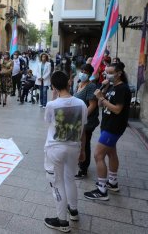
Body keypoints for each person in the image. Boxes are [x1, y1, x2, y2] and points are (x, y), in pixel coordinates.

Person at [44, 71, 87, 232]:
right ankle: (73, 211)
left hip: (55, 147)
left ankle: (62, 221)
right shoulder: (81, 104)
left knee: (57, 182)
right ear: (69, 83)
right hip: (74, 147)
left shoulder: (52, 105)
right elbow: (83, 128)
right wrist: (82, 149)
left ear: (53, 86)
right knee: (70, 179)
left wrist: (54, 97)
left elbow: (48, 122)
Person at [84, 62, 131, 201]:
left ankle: (102, 189)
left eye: (110, 72)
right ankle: (112, 182)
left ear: (119, 73)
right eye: (106, 72)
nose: (107, 74)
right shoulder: (111, 86)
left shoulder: (123, 88)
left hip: (114, 126)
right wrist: (103, 90)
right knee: (111, 152)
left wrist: (102, 98)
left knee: (98, 155)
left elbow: (117, 109)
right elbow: (100, 104)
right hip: (107, 124)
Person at [73, 64, 99, 179]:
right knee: (79, 142)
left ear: (90, 74)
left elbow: (92, 105)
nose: (83, 73)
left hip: (87, 121)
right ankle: (80, 162)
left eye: (86, 72)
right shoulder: (79, 84)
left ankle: (83, 168)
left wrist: (82, 117)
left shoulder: (91, 86)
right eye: (82, 70)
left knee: (85, 143)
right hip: (78, 119)